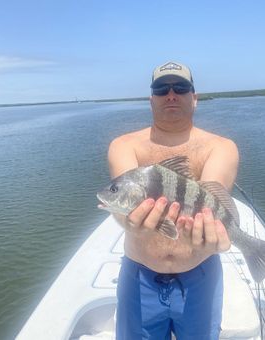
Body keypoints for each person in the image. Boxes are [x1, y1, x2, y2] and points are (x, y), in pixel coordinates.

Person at [107, 61, 239, 339]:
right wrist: (130, 223)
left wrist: (213, 233)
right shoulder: (123, 145)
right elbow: (122, 205)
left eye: (181, 87)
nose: (171, 94)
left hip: (200, 277)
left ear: (195, 97)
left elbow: (210, 201)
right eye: (161, 88)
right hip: (139, 277)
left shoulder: (221, 147)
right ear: (151, 98)